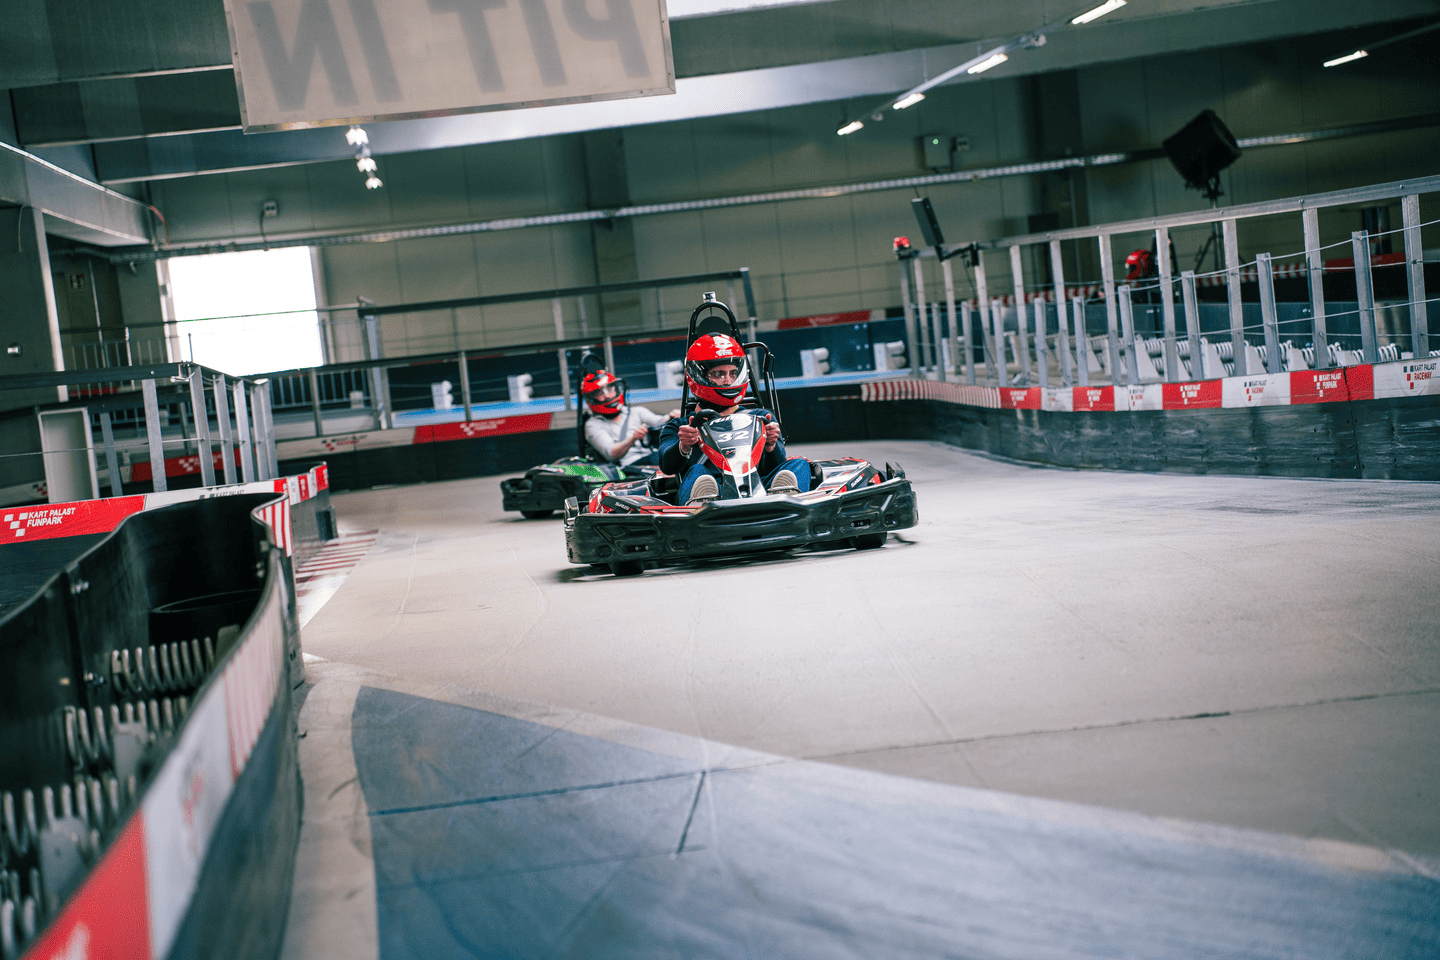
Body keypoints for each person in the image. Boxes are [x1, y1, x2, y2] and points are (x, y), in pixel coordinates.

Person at [658, 332, 813, 505]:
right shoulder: (680, 427)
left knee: (799, 465)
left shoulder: (761, 417)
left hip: (759, 490)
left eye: (733, 373)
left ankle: (784, 502)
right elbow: (667, 467)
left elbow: (775, 467)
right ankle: (705, 502)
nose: (728, 381)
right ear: (698, 376)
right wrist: (684, 446)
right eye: (718, 374)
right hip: (711, 491)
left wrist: (770, 445)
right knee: (697, 472)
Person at [581, 369, 671, 469]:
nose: (607, 396)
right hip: (627, 469)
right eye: (600, 393)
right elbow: (611, 454)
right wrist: (633, 438)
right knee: (664, 459)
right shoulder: (592, 425)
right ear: (591, 399)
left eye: (610, 389)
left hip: (651, 460)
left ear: (616, 389)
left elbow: (659, 421)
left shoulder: (637, 412)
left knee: (673, 454)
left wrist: (672, 416)